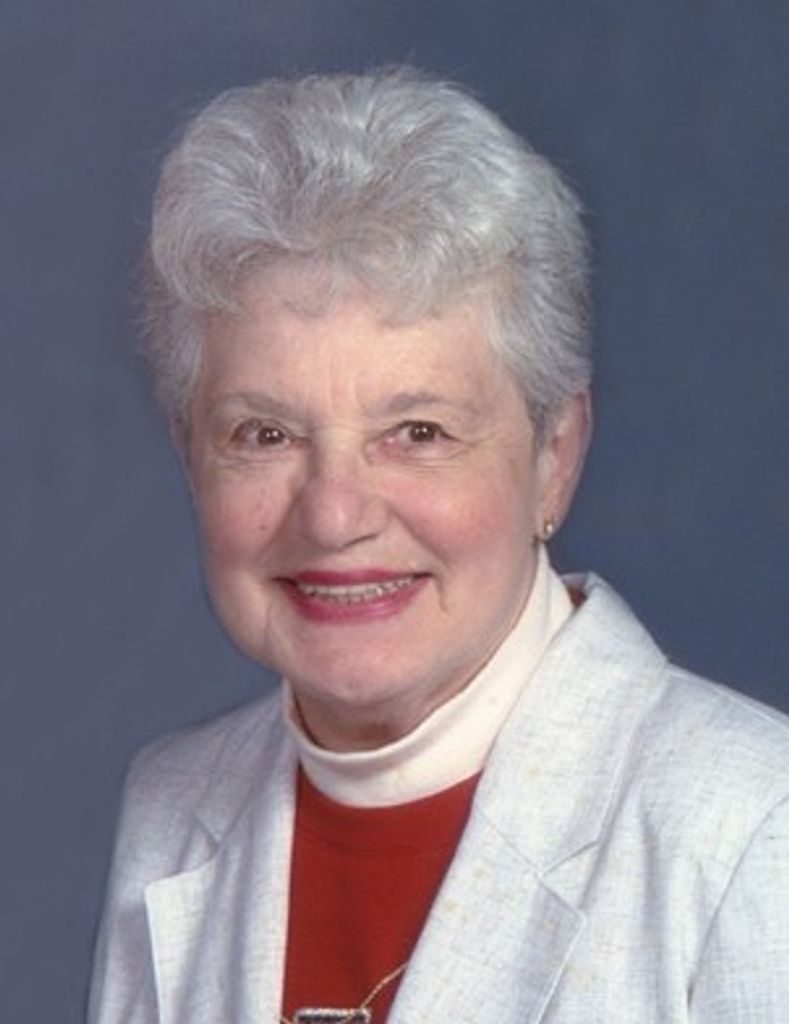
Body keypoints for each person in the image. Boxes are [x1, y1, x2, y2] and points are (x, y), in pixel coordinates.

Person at [88, 68, 789, 1023]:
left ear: (553, 455)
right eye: (265, 434)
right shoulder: (169, 809)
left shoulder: (750, 829)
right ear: (191, 457)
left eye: (417, 432)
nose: (334, 515)